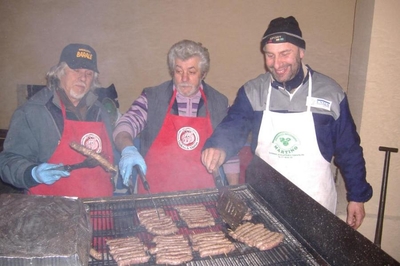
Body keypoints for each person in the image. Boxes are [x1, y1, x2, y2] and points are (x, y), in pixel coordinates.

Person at [201, 16, 373, 229]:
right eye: (270, 56)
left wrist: (357, 196)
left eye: (285, 53)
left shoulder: (330, 93)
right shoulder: (253, 91)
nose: (277, 63)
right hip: (265, 203)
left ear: (301, 52)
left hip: (315, 204)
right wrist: (219, 145)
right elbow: (234, 125)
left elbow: (349, 149)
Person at [113, 39, 239, 193]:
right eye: (179, 71)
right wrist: (128, 149)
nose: (184, 79)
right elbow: (125, 125)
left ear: (203, 74)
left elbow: (231, 153)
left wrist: (233, 190)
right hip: (155, 196)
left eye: (191, 72)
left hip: (206, 197)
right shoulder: (152, 98)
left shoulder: (219, 104)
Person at [0, 43, 116, 198]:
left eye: (89, 74)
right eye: (76, 71)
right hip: (53, 213)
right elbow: (8, 161)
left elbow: (110, 156)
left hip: (99, 212)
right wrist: (32, 173)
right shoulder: (33, 111)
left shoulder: (100, 111)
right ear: (59, 72)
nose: (83, 78)